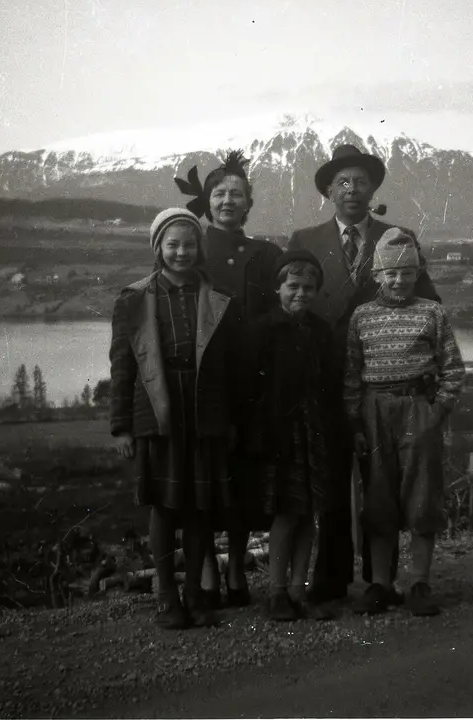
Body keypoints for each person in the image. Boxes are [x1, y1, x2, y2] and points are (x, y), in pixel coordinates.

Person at [287, 143, 440, 606]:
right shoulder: (304, 240)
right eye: (343, 182)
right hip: (322, 382)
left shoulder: (397, 236)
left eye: (361, 181)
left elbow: (428, 301)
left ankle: (382, 581)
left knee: (384, 480)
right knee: (330, 480)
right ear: (329, 191)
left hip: (378, 385)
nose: (353, 190)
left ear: (373, 187)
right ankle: (330, 580)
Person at [109, 207, 246, 630]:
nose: (181, 252)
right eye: (172, 244)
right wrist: (122, 426)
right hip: (158, 409)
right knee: (165, 508)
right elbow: (122, 367)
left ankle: (196, 597)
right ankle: (167, 597)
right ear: (158, 248)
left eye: (189, 244)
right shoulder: (134, 299)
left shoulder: (219, 298)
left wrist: (231, 420)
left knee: (200, 507)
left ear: (199, 248)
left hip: (205, 412)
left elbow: (229, 368)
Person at [175, 149, 283, 609]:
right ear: (207, 200)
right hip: (205, 385)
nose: (227, 200)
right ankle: (204, 575)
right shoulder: (191, 251)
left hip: (251, 384)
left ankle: (236, 567)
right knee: (202, 481)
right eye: (219, 193)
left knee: (242, 481)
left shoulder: (267, 253)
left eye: (236, 194)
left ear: (248, 203)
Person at [343, 227, 465, 617]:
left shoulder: (432, 312)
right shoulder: (361, 317)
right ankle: (380, 584)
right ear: (377, 275)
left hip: (417, 409)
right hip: (374, 410)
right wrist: (356, 424)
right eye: (390, 273)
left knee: (422, 495)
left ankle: (419, 582)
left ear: (417, 273)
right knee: (378, 497)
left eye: (407, 273)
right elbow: (351, 374)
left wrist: (436, 412)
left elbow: (454, 369)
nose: (398, 280)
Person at [247, 250, 340, 622]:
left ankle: (299, 590)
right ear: (277, 288)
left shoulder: (320, 331)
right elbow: (251, 392)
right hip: (278, 437)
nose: (301, 293)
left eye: (309, 287)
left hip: (313, 435)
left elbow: (329, 387)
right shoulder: (262, 330)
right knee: (286, 514)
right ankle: (276, 594)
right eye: (293, 286)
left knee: (309, 514)